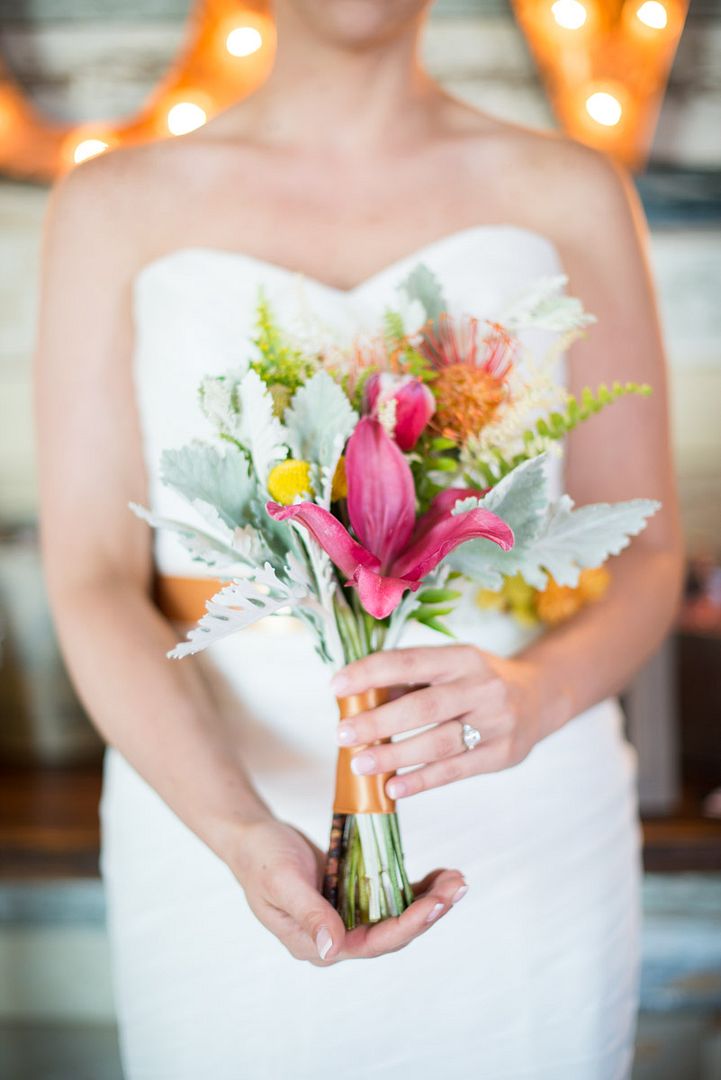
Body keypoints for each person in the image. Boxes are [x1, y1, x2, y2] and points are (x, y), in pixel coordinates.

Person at [34, 1, 683, 1077]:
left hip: (517, 800)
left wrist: (534, 701)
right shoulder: (113, 201)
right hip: (207, 812)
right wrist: (235, 830)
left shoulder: (568, 190)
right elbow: (92, 577)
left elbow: (646, 556)